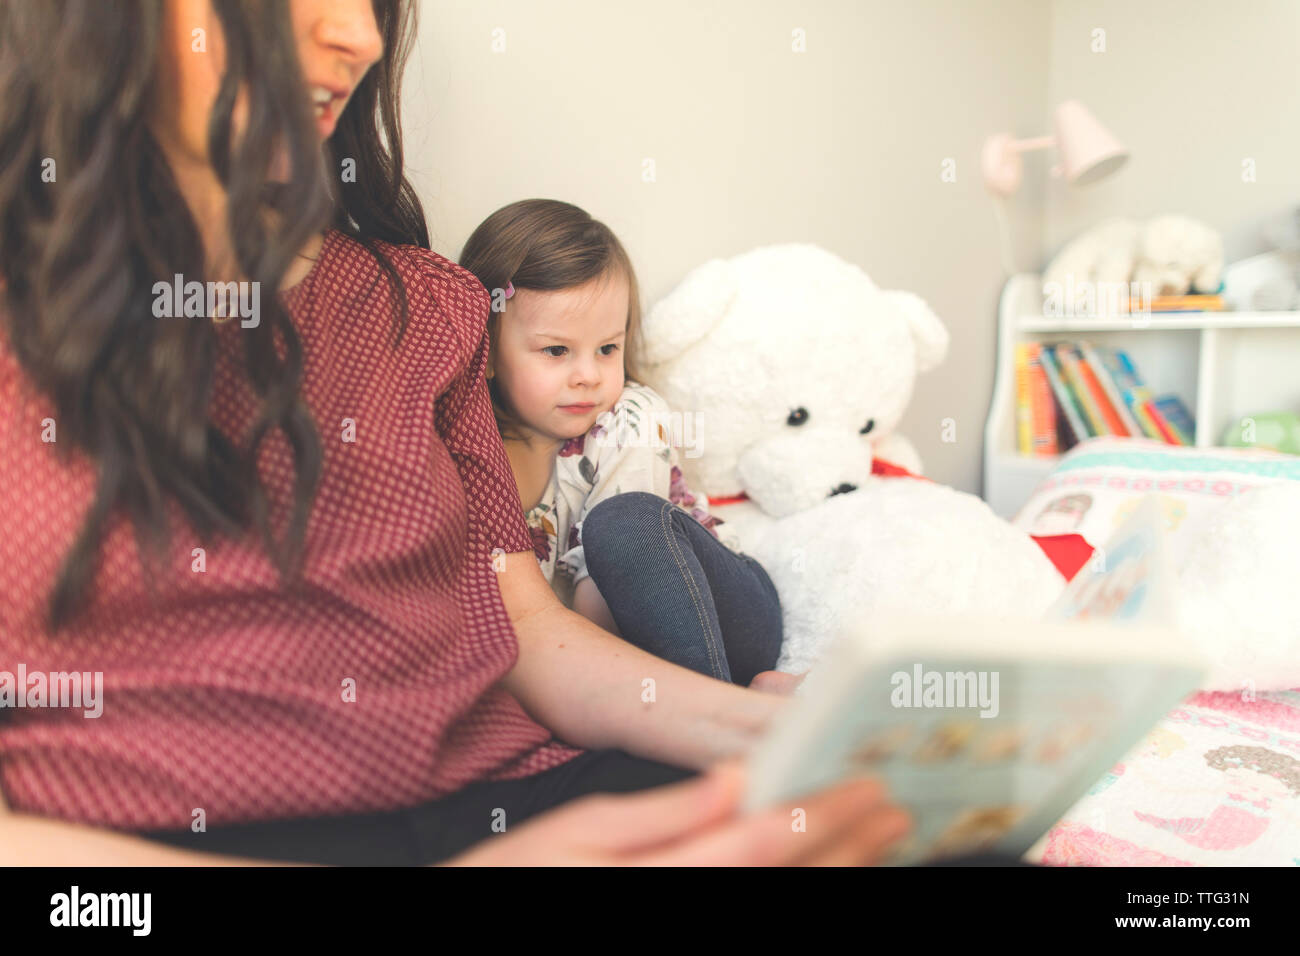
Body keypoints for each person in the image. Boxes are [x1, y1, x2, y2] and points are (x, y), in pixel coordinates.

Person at [0, 0, 908, 865]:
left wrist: (777, 735)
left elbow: (525, 632)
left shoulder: (425, 305)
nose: (357, 34)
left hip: (508, 800)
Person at [459, 199, 794, 688]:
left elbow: (604, 589)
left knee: (622, 524)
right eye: (556, 351)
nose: (589, 376)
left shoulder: (629, 420)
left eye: (607, 349)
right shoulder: (468, 443)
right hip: (582, 654)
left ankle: (715, 706)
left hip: (729, 613)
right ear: (486, 350)